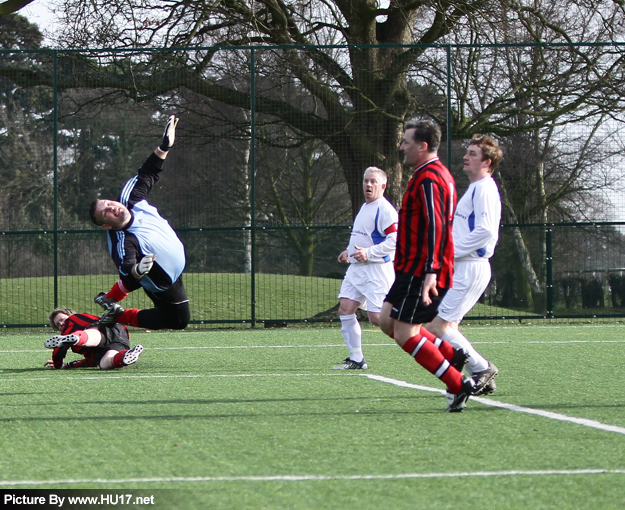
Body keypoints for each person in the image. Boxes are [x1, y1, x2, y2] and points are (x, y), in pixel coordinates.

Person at [378, 118, 482, 413]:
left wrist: (431, 272)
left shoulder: (430, 179)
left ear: (423, 146)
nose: (402, 147)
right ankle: (451, 354)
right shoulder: (428, 174)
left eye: (406, 142)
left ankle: (457, 382)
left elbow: (437, 227)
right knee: (384, 320)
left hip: (421, 270)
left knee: (406, 334)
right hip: (410, 268)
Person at [89, 115, 190, 331]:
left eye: (109, 203)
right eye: (106, 212)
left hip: (176, 270)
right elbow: (127, 271)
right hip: (162, 282)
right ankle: (119, 315)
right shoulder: (122, 240)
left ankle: (109, 301)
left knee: (179, 320)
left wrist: (164, 147)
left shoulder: (130, 198)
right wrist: (137, 270)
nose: (112, 207)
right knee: (178, 322)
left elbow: (148, 172)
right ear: (106, 225)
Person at [426, 134, 503, 403]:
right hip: (465, 266)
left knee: (437, 326)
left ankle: (482, 368)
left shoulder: (484, 188)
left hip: (470, 267)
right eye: (467, 152)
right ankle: (480, 371)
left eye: (472, 154)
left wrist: (449, 252)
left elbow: (484, 232)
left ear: (487, 162)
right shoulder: (476, 187)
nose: (465, 157)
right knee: (448, 326)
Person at [333, 167, 398, 370]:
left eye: (373, 182)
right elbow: (364, 235)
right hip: (357, 269)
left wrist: (369, 253)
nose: (368, 185)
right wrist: (348, 250)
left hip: (376, 270)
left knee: (378, 319)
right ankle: (356, 358)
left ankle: (417, 334)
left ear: (383, 186)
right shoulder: (365, 206)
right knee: (345, 308)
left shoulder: (385, 209)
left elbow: (396, 240)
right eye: (366, 181)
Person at [44, 308, 143, 370]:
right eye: (58, 324)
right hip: (119, 340)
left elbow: (58, 351)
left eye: (61, 319)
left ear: (70, 315)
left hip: (107, 328)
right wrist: (68, 365)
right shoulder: (70, 335)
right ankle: (125, 356)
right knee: (104, 363)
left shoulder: (74, 319)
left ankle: (77, 338)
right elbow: (91, 361)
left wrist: (58, 364)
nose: (61, 323)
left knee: (92, 335)